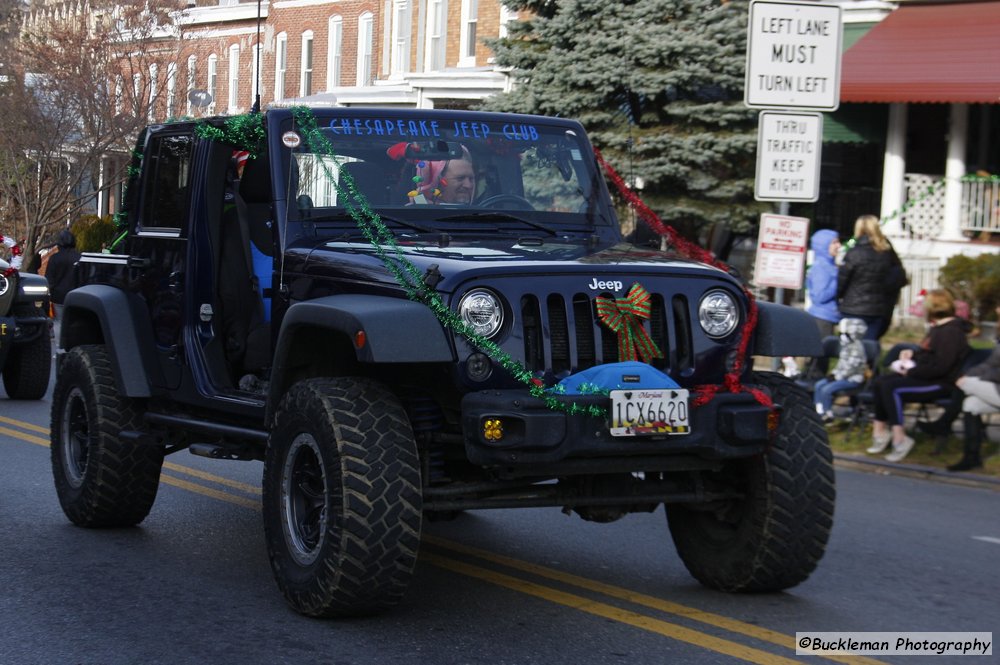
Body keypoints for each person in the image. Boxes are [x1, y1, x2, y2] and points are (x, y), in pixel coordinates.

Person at [868, 289, 972, 463]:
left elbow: (941, 367)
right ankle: (879, 431)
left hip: (942, 383)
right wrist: (912, 355)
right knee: (881, 381)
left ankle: (899, 437)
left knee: (891, 388)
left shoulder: (951, 332)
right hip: (927, 376)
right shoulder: (938, 328)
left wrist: (910, 371)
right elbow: (929, 355)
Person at [836, 215, 907, 341]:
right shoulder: (886, 252)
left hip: (853, 307)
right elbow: (897, 275)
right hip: (878, 308)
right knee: (870, 346)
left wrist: (838, 298)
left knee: (850, 348)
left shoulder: (854, 253)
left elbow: (842, 281)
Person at [946, 344, 1000, 472]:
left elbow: (992, 371)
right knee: (971, 405)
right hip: (994, 387)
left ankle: (944, 423)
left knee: (966, 384)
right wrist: (969, 374)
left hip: (995, 385)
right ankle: (971, 457)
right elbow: (989, 364)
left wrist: (977, 379)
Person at [813, 318, 868, 423]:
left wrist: (837, 377)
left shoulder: (857, 348)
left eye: (844, 333)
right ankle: (819, 410)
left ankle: (828, 414)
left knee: (826, 390)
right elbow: (841, 364)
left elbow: (851, 368)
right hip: (840, 376)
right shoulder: (846, 346)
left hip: (852, 379)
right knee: (819, 385)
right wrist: (833, 374)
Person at [806, 229, 841, 339]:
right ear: (823, 245)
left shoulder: (829, 265)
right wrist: (838, 281)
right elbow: (819, 296)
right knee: (821, 353)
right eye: (834, 242)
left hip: (828, 317)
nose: (839, 246)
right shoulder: (820, 267)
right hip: (821, 318)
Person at [412, 153, 476, 205]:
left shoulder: (481, 213)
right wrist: (422, 205)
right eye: (460, 178)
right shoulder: (412, 216)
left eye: (471, 179)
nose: (468, 185)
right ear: (437, 182)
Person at [45, 229, 82, 317]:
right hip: (76, 296)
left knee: (59, 321)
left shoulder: (54, 258)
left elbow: (49, 280)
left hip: (58, 297)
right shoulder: (80, 258)